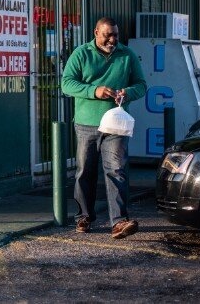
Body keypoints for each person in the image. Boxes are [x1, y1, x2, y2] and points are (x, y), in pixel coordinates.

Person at [61, 16, 147, 239]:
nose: (112, 39)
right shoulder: (81, 53)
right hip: (87, 124)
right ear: (96, 32)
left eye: (116, 35)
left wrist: (128, 92)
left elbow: (142, 85)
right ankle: (83, 217)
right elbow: (67, 83)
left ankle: (119, 222)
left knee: (117, 170)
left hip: (116, 125)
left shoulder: (126, 55)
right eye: (107, 34)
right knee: (84, 171)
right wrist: (94, 91)